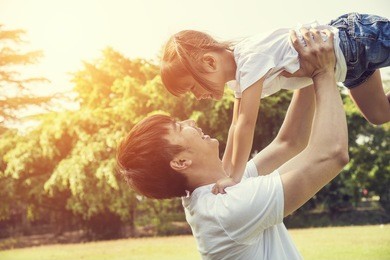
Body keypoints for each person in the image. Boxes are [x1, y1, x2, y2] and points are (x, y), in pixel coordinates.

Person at [117, 29, 349, 259]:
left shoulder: (219, 187)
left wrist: (306, 67)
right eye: (179, 127)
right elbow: (332, 153)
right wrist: (323, 72)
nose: (191, 121)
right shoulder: (225, 210)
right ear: (180, 161)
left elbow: (289, 143)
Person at [160, 12, 389, 193]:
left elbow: (246, 123)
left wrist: (234, 178)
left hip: (353, 41)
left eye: (192, 87)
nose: (197, 96)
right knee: (379, 114)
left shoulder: (249, 60)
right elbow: (234, 128)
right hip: (347, 67)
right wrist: (223, 173)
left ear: (210, 63)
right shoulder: (239, 79)